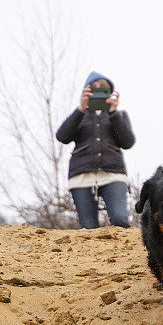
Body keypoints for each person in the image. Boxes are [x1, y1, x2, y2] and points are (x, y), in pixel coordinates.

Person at [56, 71, 136, 229]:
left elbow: (127, 142)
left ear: (110, 92)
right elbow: (62, 136)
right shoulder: (80, 115)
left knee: (120, 221)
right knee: (88, 228)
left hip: (113, 174)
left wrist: (113, 113)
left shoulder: (119, 115)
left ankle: (121, 253)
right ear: (86, 91)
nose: (98, 90)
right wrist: (81, 108)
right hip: (81, 175)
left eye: (103, 88)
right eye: (94, 87)